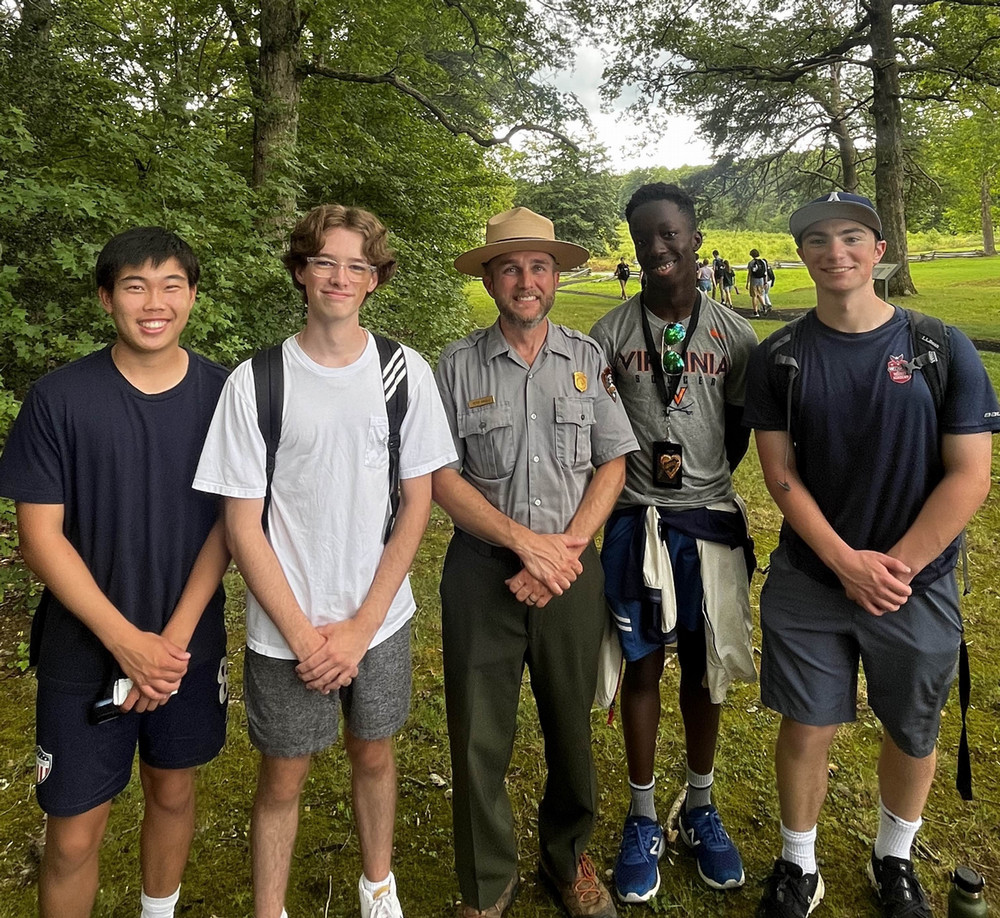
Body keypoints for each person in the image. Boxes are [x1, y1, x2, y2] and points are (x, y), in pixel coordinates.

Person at [193, 204, 457, 918]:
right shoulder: (256, 382)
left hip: (379, 622)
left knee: (373, 754)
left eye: (357, 265)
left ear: (376, 280)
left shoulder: (406, 373)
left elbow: (417, 503)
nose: (340, 277)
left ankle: (379, 887)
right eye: (325, 262)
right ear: (301, 273)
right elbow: (242, 525)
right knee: (283, 778)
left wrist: (359, 626)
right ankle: (269, 909)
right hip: (287, 635)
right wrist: (309, 638)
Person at [743, 192, 1000, 918]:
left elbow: (969, 475)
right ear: (802, 256)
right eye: (817, 240)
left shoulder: (939, 347)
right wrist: (847, 563)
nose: (835, 252)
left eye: (851, 236)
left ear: (879, 248)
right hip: (812, 579)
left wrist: (899, 567)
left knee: (912, 728)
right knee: (807, 725)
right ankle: (799, 867)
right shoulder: (780, 357)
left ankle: (894, 859)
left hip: (917, 584)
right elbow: (780, 476)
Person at [0, 227, 231, 918]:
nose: (153, 302)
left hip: (188, 644)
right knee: (73, 834)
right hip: (83, 649)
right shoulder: (58, 400)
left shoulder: (228, 395)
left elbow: (231, 527)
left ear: (192, 295)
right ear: (106, 299)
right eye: (134, 286)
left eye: (170, 285)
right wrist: (128, 642)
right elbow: (40, 540)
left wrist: (171, 645)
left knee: (173, 790)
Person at [433, 206, 639, 918]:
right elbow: (440, 478)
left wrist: (565, 551)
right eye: (511, 267)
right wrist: (525, 546)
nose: (527, 280)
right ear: (490, 279)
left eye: (539, 267)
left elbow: (613, 462)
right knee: (476, 732)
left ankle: (569, 859)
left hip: (571, 573)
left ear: (556, 277)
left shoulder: (586, 359)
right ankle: (487, 883)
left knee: (570, 727)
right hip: (482, 572)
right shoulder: (456, 367)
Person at [589, 183, 758, 905]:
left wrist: (704, 485)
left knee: (705, 668)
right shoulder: (607, 334)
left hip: (708, 524)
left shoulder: (735, 336)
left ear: (694, 237)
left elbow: (740, 432)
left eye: (669, 236)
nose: (657, 250)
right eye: (644, 240)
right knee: (643, 668)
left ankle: (701, 804)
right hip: (635, 520)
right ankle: (642, 814)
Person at [746, 249, 769, 317]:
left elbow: (750, 273)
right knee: (760, 294)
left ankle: (755, 312)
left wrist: (747, 283)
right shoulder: (763, 262)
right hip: (761, 280)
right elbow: (765, 273)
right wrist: (765, 282)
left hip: (754, 280)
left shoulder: (751, 263)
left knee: (754, 296)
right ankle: (764, 306)